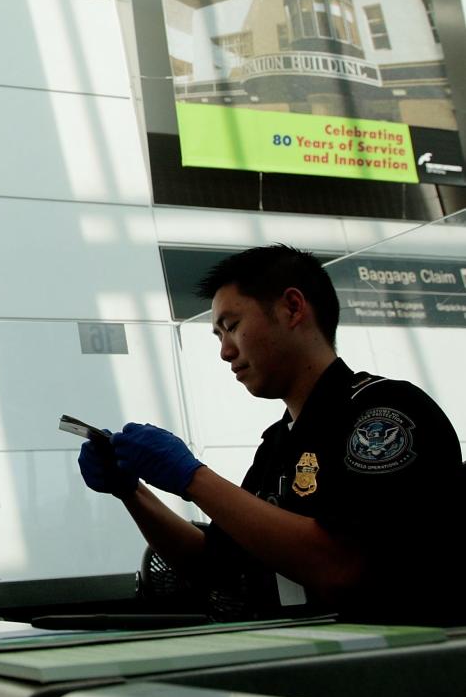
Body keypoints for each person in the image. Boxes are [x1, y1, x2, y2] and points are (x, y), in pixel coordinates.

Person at [78, 244, 463, 625]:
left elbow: (341, 566)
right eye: (218, 336)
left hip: (401, 665)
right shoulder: (279, 443)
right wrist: (131, 491)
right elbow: (214, 563)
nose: (225, 352)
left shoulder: (383, 414)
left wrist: (193, 477)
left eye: (232, 326)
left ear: (293, 308)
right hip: (308, 661)